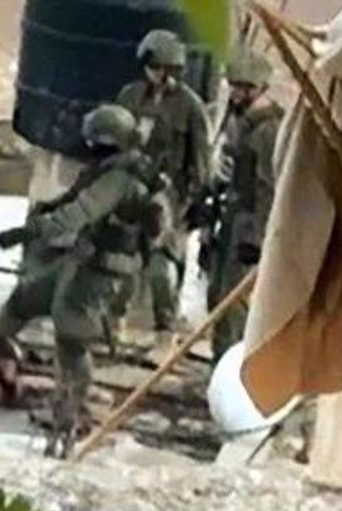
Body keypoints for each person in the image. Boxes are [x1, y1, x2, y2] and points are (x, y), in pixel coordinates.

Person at [0, 104, 164, 458]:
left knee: (71, 342)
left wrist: (31, 232)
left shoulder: (120, 179)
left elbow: (80, 212)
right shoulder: (109, 170)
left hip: (100, 272)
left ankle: (67, 421)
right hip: (82, 259)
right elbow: (70, 201)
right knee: (26, 298)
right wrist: (43, 212)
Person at [111, 29, 213, 339]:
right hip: (130, 190)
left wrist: (194, 200)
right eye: (158, 69)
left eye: (170, 71)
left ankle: (164, 324)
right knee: (122, 260)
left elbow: (200, 158)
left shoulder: (190, 107)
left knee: (160, 268)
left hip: (169, 197)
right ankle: (113, 320)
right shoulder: (129, 97)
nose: (163, 77)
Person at [204, 48, 283, 360]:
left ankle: (229, 370)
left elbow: (268, 190)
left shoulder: (266, 130)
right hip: (231, 217)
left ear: (258, 89)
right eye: (233, 87)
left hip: (250, 224)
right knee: (217, 298)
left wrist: (257, 240)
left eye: (243, 88)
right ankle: (219, 363)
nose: (236, 94)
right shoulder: (241, 122)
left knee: (233, 305)